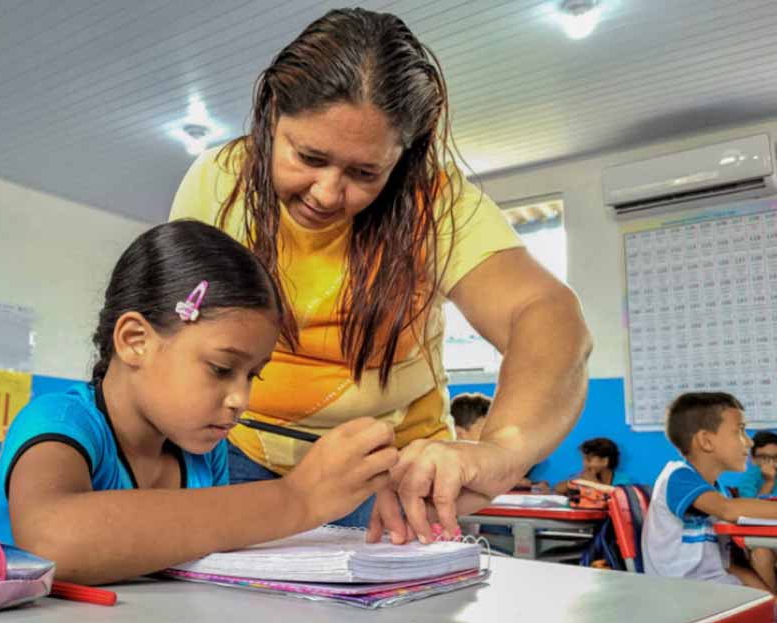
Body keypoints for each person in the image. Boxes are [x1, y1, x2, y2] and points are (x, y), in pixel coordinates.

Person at [170, 7, 591, 543]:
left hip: (390, 478)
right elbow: (173, 336)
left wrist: (502, 449)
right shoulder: (217, 181)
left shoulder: (434, 205)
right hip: (233, 455)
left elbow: (547, 315)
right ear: (272, 114)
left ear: (403, 159)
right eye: (308, 156)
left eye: (364, 173)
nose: (325, 193)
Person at [0, 220, 397, 585]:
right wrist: (298, 498)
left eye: (253, 375)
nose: (241, 399)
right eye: (220, 368)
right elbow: (53, 538)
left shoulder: (203, 455)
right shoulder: (59, 421)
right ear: (135, 341)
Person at [642, 392, 777, 592]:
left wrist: (769, 597)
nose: (749, 442)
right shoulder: (678, 476)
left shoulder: (717, 490)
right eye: (740, 431)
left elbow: (726, 565)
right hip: (681, 593)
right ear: (706, 441)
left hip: (714, 587)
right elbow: (728, 510)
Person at [553, 437, 630, 495]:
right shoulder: (582, 478)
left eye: (589, 460)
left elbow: (614, 497)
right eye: (583, 459)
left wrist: (591, 482)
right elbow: (558, 488)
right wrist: (572, 482)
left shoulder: (623, 481)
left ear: (604, 461)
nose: (584, 464)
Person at [737, 431, 777, 499]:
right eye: (763, 457)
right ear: (752, 459)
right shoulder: (748, 480)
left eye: (775, 457)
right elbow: (751, 508)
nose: (771, 462)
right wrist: (769, 482)